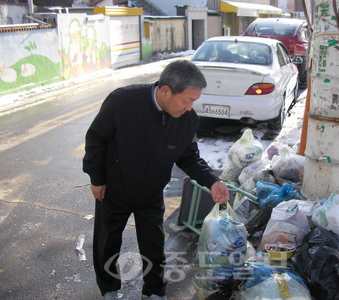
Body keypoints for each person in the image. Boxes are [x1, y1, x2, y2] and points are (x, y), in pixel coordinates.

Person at [82, 59, 230, 300]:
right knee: (107, 243)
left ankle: (153, 292)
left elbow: (189, 158)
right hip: (114, 189)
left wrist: (212, 180)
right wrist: (96, 178)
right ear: (165, 91)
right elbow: (96, 138)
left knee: (153, 247)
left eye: (194, 101)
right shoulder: (123, 101)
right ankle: (109, 289)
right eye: (187, 100)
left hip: (151, 194)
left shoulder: (187, 119)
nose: (190, 107)